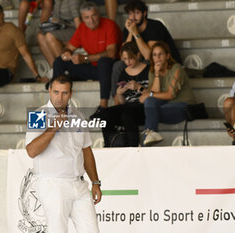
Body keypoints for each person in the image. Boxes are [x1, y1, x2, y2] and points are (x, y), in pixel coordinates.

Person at [25, 75, 101, 233]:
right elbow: (31, 151)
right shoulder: (38, 115)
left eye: (64, 93)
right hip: (53, 183)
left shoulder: (78, 116)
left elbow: (86, 150)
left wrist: (95, 182)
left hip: (79, 184)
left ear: (71, 93)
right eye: (56, 92)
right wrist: (53, 128)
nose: (60, 97)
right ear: (49, 91)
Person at [53, 1, 122, 119]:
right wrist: (67, 54)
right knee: (59, 61)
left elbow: (111, 53)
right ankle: (58, 104)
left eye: (93, 16)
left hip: (109, 70)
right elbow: (69, 48)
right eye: (87, 17)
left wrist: (84, 58)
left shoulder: (109, 24)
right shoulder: (82, 28)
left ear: (98, 14)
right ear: (82, 19)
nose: (91, 20)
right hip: (93, 69)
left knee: (103, 62)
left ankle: (103, 106)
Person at [111, 0, 181, 97]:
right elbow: (124, 57)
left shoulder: (155, 26)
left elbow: (150, 56)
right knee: (118, 65)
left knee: (148, 63)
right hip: (140, 62)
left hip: (165, 62)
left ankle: (145, 97)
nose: (133, 17)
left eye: (137, 13)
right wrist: (130, 32)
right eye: (130, 14)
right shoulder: (128, 29)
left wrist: (135, 33)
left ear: (144, 13)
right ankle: (117, 99)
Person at [139, 42, 195, 146]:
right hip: (165, 106)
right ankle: (150, 136)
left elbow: (170, 95)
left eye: (161, 54)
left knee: (150, 111)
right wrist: (156, 75)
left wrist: (149, 95)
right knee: (150, 106)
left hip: (183, 106)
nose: (158, 58)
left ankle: (144, 145)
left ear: (168, 56)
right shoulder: (152, 71)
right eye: (154, 55)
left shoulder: (177, 68)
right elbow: (154, 95)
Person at [100, 41, 149, 147]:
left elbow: (154, 94)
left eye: (130, 58)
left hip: (144, 106)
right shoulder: (124, 72)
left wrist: (139, 87)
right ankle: (110, 145)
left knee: (127, 114)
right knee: (105, 114)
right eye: (125, 59)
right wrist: (119, 93)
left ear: (138, 55)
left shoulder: (148, 70)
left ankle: (132, 146)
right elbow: (122, 101)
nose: (128, 62)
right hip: (128, 106)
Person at [37, 0, 82, 68]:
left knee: (49, 36)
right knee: (40, 36)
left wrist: (81, 39)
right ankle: (54, 69)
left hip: (75, 29)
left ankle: (65, 69)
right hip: (63, 27)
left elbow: (78, 23)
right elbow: (56, 19)